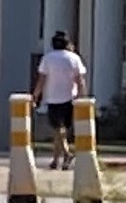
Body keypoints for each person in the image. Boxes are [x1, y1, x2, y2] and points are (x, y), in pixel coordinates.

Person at [36, 30, 88, 168]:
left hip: (53, 97)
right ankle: (56, 160)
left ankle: (66, 153)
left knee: (58, 128)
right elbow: (80, 80)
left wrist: (36, 95)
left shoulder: (47, 58)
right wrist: (82, 96)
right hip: (70, 97)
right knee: (60, 129)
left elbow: (41, 80)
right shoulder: (74, 58)